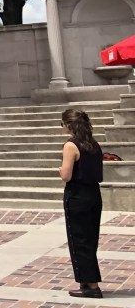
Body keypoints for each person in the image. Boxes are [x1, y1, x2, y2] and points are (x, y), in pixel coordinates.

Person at [59, 108, 104, 298]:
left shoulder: (71, 145)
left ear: (69, 125)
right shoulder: (93, 144)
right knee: (90, 239)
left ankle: (92, 286)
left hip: (77, 195)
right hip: (94, 194)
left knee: (79, 240)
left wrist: (59, 170)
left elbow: (67, 175)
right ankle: (87, 281)